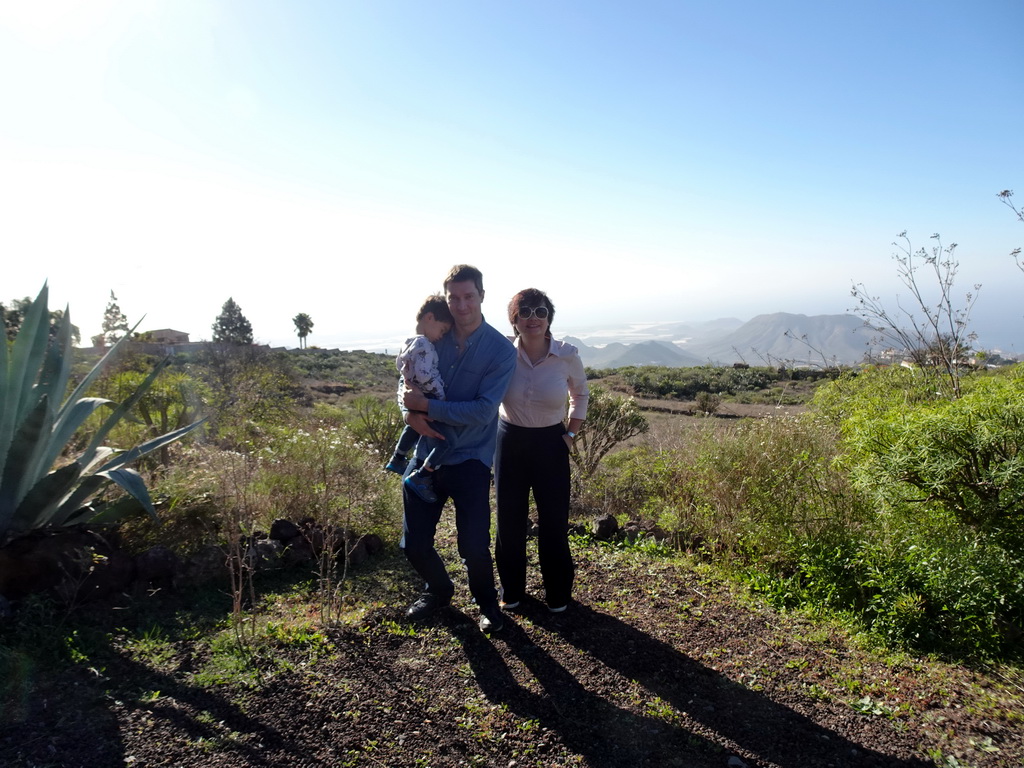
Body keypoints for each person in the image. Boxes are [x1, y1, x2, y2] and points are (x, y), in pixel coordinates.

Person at [400, 265, 517, 633]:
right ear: (446, 299)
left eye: (469, 296)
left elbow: (484, 411)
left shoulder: (500, 350)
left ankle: (487, 605)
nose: (462, 305)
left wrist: (425, 408)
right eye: (454, 297)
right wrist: (406, 411)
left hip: (470, 460)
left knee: (474, 547)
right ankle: (438, 588)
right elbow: (405, 381)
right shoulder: (433, 336)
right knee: (413, 544)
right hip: (425, 455)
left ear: (482, 295)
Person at [494, 288, 589, 614]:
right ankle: (511, 591)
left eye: (540, 311)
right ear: (514, 319)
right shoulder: (502, 352)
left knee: (553, 521)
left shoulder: (566, 355)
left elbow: (581, 394)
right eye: (525, 311)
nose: (533, 317)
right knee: (509, 520)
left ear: (549, 318)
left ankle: (558, 594)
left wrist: (570, 433)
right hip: (509, 441)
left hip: (551, 442)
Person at [385, 295, 454, 504]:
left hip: (415, 394)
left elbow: (401, 368)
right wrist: (439, 393)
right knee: (446, 443)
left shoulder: (409, 342)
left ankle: (397, 458)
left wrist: (408, 383)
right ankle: (422, 476)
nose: (441, 336)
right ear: (430, 318)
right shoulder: (424, 344)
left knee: (414, 427)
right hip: (428, 396)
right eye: (442, 330)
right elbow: (425, 374)